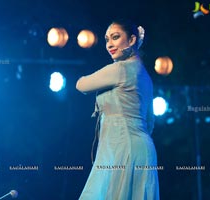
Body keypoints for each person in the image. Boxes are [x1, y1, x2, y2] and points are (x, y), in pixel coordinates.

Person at [76, 19, 160, 200]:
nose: (109, 45)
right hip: (141, 149)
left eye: (115, 37)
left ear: (131, 40)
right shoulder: (145, 76)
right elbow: (150, 122)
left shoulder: (120, 69)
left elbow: (81, 85)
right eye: (107, 39)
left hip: (122, 147)